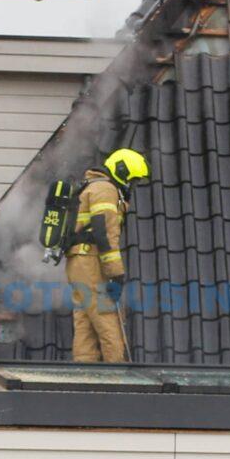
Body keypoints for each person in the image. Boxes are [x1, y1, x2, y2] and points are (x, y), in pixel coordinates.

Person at [66, 148, 148, 362]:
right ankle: (118, 380)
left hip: (78, 261)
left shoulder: (92, 185)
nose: (132, 185)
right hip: (91, 262)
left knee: (85, 323)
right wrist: (116, 274)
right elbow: (105, 235)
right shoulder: (105, 189)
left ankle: (85, 378)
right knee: (109, 320)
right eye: (133, 179)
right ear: (122, 171)